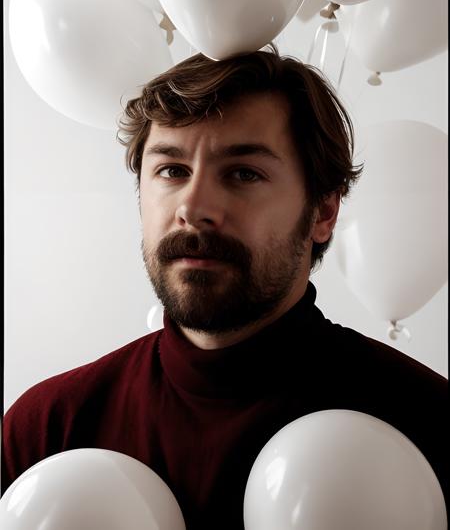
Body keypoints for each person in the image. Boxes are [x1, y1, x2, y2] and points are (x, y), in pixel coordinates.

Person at [2, 46, 448, 527]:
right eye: (172, 170)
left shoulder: (429, 427)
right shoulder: (47, 430)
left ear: (323, 212)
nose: (194, 207)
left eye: (243, 173)